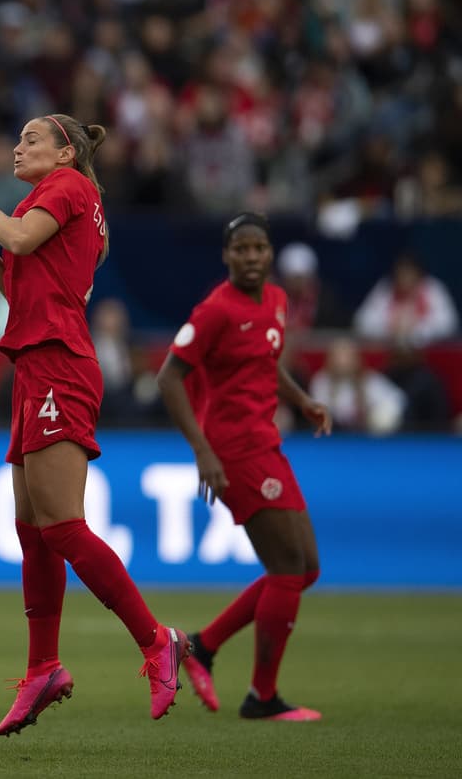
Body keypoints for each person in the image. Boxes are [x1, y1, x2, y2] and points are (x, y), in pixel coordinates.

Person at [0, 114, 191, 734]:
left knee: (61, 527)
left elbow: (20, 241)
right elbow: (29, 280)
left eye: (31, 140)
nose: (17, 147)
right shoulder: (60, 199)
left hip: (60, 366)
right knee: (32, 530)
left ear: (66, 152)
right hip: (40, 364)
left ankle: (156, 639)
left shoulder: (67, 189)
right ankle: (42, 669)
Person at [156, 212, 333, 722]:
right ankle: (262, 697)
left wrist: (301, 399)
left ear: (270, 253)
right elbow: (169, 379)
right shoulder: (215, 310)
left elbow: (265, 360)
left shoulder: (276, 300)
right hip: (233, 451)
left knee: (307, 569)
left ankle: (201, 646)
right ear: (227, 256)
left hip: (267, 444)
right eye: (242, 249)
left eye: (259, 248)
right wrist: (202, 451)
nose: (252, 257)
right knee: (287, 571)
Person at [353, 253, 459, 348]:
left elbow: (449, 325)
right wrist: (390, 327)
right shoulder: (385, 289)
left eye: (409, 274)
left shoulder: (433, 288)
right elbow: (361, 323)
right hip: (390, 354)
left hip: (427, 354)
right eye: (401, 274)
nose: (405, 279)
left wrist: (415, 330)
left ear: (419, 274)